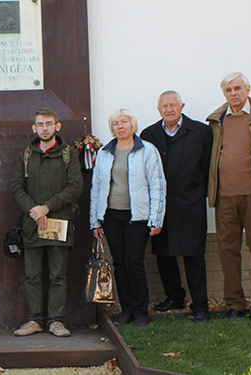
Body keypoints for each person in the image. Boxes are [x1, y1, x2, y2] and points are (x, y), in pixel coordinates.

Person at [206, 72, 251, 320]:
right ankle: (234, 304)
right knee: (228, 251)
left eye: (237, 88)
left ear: (248, 89)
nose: (233, 93)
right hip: (225, 196)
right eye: (228, 90)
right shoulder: (217, 120)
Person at [139, 91, 212, 323]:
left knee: (194, 256)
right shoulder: (149, 134)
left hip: (191, 204)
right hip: (161, 204)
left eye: (173, 105)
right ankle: (175, 297)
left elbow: (208, 167)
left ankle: (200, 305)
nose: (169, 109)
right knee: (164, 254)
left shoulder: (200, 132)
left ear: (182, 106)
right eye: (164, 106)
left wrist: (199, 194)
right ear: (158, 109)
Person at [11, 108, 82, 336]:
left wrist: (47, 207)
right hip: (32, 224)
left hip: (58, 224)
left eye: (49, 124)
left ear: (57, 126)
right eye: (40, 124)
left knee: (57, 276)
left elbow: (75, 187)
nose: (44, 128)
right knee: (32, 276)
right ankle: (34, 320)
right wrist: (34, 210)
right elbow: (16, 187)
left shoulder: (69, 154)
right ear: (34, 128)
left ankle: (56, 322)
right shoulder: (25, 155)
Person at [91, 108, 165, 327]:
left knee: (134, 262)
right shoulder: (105, 152)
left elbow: (157, 185)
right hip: (111, 217)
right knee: (120, 264)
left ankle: (141, 311)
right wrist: (95, 221)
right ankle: (127, 310)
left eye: (124, 122)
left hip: (137, 217)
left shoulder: (147, 150)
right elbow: (96, 187)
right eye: (115, 123)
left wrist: (156, 219)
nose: (120, 126)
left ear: (132, 124)